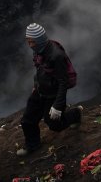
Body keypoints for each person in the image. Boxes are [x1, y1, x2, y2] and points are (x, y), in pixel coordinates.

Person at [17, 23, 83, 156]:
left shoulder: (56, 55)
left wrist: (57, 105)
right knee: (27, 120)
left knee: (54, 125)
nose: (30, 45)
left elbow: (63, 82)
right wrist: (36, 85)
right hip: (40, 90)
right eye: (28, 41)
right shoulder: (39, 51)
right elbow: (39, 70)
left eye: (32, 42)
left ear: (39, 40)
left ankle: (75, 114)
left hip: (52, 94)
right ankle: (32, 145)